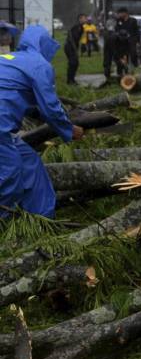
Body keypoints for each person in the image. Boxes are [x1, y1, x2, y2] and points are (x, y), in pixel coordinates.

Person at [0, 25, 83, 218]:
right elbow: (51, 108)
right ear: (44, 44)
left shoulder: (12, 59)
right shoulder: (38, 64)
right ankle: (4, 225)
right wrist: (69, 130)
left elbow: (20, 97)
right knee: (9, 174)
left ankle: (41, 218)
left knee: (29, 162)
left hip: (5, 130)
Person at [104, 8, 139, 78]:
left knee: (131, 53)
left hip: (129, 39)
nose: (118, 15)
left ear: (125, 13)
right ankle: (111, 73)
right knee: (112, 58)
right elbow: (115, 52)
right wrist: (119, 59)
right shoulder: (118, 22)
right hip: (114, 43)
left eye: (119, 13)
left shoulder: (133, 21)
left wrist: (136, 40)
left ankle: (132, 68)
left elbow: (136, 31)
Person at [64, 14, 86, 85]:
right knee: (73, 63)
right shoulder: (76, 27)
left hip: (73, 47)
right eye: (84, 18)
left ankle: (72, 79)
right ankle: (69, 81)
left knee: (75, 63)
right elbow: (71, 38)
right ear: (80, 19)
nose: (85, 20)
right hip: (69, 46)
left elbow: (78, 39)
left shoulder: (81, 27)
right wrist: (74, 49)